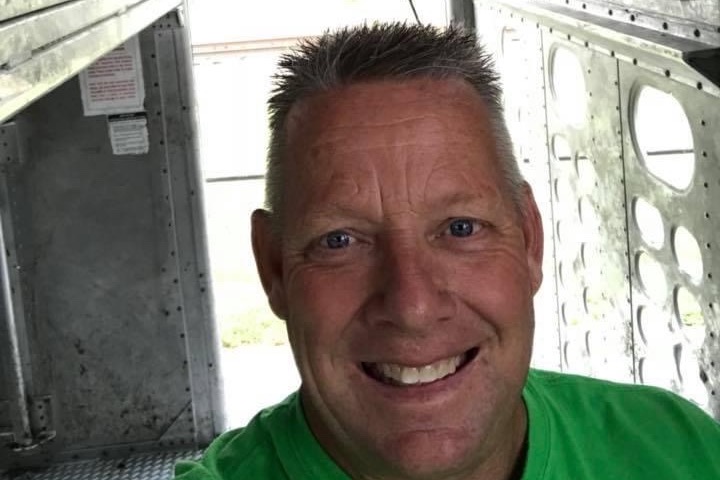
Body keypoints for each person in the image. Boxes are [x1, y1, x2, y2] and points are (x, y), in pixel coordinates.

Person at [175, 22, 720, 480]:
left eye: (461, 228)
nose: (412, 307)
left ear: (529, 239)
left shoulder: (678, 448)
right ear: (273, 268)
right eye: (339, 241)